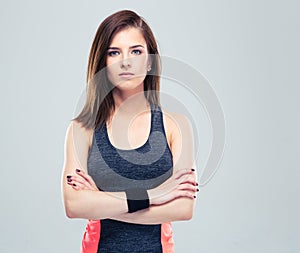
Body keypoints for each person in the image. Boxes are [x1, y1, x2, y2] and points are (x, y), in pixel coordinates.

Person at [62, 9, 199, 253]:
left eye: (136, 51)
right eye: (114, 52)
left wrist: (101, 202)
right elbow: (74, 205)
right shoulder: (82, 129)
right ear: (103, 62)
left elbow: (183, 208)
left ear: (149, 62)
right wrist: (155, 196)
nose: (126, 61)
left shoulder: (176, 126)